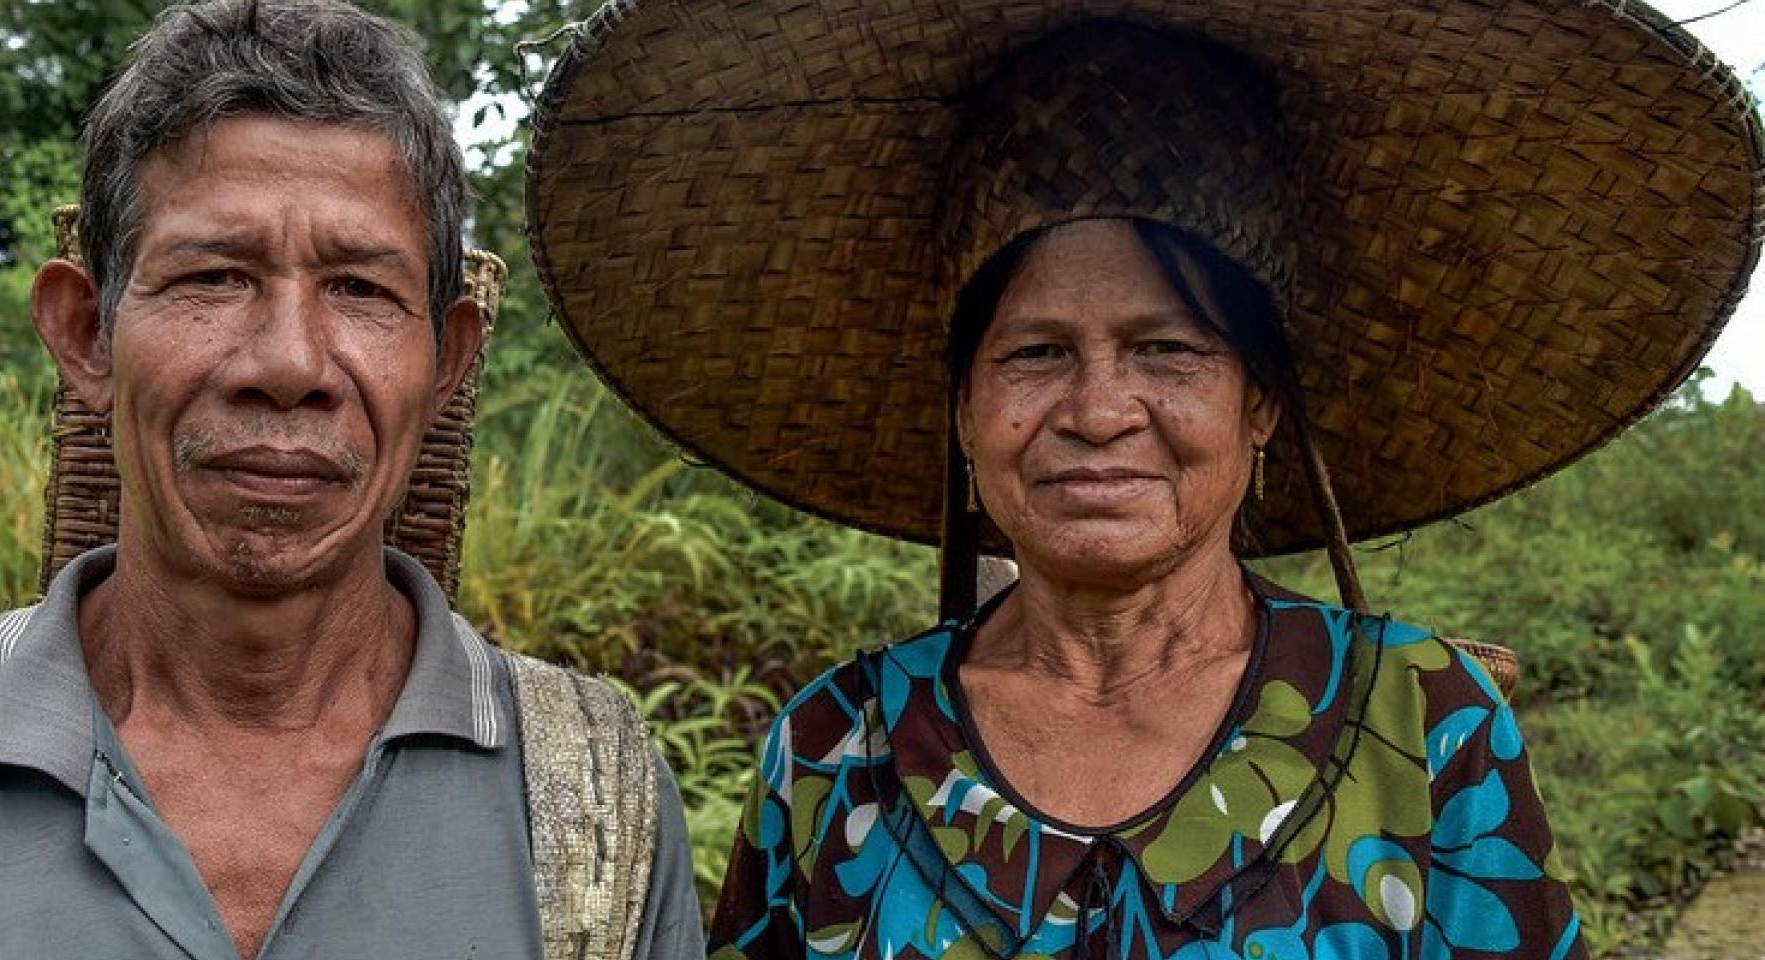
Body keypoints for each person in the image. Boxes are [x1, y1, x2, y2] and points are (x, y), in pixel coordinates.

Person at [525, 0, 1763, 957]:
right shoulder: (830, 753)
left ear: (1260, 403)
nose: (1100, 411)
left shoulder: (1430, 728)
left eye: (1167, 349)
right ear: (965, 410)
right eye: (1036, 354)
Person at [0, 2, 705, 958]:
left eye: (360, 289)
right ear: (87, 335)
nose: (290, 363)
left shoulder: (597, 801)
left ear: (448, 363)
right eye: (214, 276)